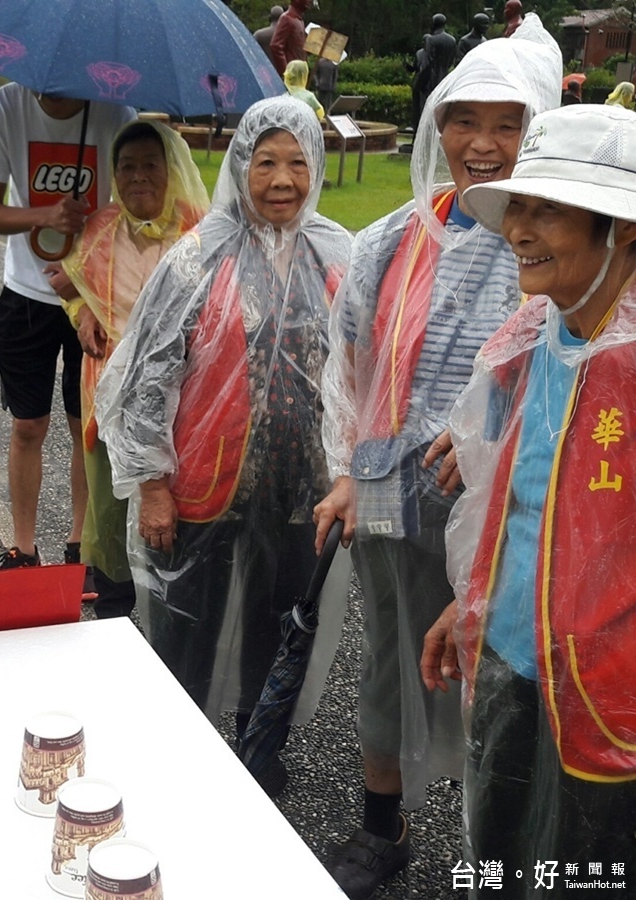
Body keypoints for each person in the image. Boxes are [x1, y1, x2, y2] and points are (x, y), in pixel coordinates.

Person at [313, 18, 562, 899]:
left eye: (509, 123)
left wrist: (489, 443)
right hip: (389, 496)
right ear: (437, 127)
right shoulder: (391, 240)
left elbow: (580, 382)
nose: (483, 145)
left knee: (501, 687)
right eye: (464, 120)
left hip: (513, 522)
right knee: (389, 659)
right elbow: (345, 370)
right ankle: (384, 823)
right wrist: (345, 470)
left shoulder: (565, 247)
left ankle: (491, 841)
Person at [96, 96, 352, 796]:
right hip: (202, 480)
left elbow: (361, 373)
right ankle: (179, 750)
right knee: (190, 623)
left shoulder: (337, 252)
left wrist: (352, 471)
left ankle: (259, 745)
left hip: (301, 486)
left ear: (317, 169)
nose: (282, 180)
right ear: (240, 167)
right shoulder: (197, 256)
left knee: (282, 618)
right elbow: (149, 373)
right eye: (265, 161)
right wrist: (150, 480)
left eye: (298, 163)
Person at [424, 103, 636, 897]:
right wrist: (468, 606)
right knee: (505, 857)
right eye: (519, 203)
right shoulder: (538, 332)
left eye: (550, 208)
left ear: (623, 227)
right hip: (512, 657)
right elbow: (512, 503)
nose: (520, 227)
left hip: (609, 701)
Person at [0, 85, 134, 569]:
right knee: (28, 423)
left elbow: (134, 207)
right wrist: (47, 214)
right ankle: (24, 546)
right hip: (26, 294)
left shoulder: (115, 112)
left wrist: (85, 274)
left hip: (94, 298)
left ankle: (81, 543)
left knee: (87, 428)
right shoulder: (4, 106)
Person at [47, 121, 208, 619]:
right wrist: (85, 313)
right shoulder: (100, 228)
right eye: (127, 166)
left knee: (173, 495)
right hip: (109, 391)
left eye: (150, 165)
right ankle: (114, 610)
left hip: (183, 393)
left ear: (170, 169)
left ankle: (173, 606)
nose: (139, 176)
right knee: (109, 503)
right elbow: (69, 284)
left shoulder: (199, 229)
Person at [269, 0, 312, 77]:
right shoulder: (287, 18)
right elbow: (276, 46)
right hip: (292, 79)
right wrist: (286, 73)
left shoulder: (299, 20)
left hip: (299, 77)